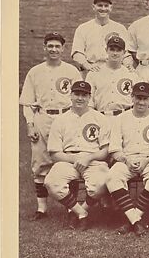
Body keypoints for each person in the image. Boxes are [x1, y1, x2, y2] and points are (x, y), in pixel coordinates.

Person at [19, 32, 82, 221]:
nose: (54, 49)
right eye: (50, 46)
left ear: (63, 49)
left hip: (66, 118)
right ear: (44, 48)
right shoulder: (35, 71)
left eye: (57, 46)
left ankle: (72, 209)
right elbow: (28, 102)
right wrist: (30, 125)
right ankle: (42, 209)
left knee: (69, 161)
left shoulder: (71, 71)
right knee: (40, 163)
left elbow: (81, 98)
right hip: (43, 118)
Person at [44, 81, 110, 230]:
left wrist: (88, 157)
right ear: (70, 96)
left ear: (89, 97)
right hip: (68, 160)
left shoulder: (100, 118)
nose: (80, 98)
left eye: (84, 95)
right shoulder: (60, 120)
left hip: (93, 159)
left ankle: (78, 211)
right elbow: (54, 153)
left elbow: (105, 151)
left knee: (102, 183)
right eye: (77, 94)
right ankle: (81, 213)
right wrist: (75, 159)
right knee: (51, 182)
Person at [106, 82, 149, 236]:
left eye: (145, 98)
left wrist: (147, 160)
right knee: (112, 177)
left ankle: (131, 219)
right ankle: (136, 220)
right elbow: (114, 149)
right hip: (126, 159)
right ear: (132, 97)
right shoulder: (120, 118)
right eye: (138, 98)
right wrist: (126, 160)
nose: (141, 102)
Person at [71, 0, 131, 73]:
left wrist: (128, 65)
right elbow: (77, 53)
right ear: (93, 7)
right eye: (100, 5)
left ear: (111, 8)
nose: (103, 9)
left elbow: (126, 53)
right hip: (91, 69)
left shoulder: (120, 28)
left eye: (106, 6)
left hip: (114, 70)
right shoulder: (83, 28)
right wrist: (87, 65)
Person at [85, 36, 138, 117]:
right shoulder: (94, 73)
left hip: (125, 116)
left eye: (119, 50)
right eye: (112, 49)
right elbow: (89, 101)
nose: (115, 53)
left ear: (124, 52)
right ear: (106, 50)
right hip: (102, 116)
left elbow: (137, 99)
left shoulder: (131, 74)